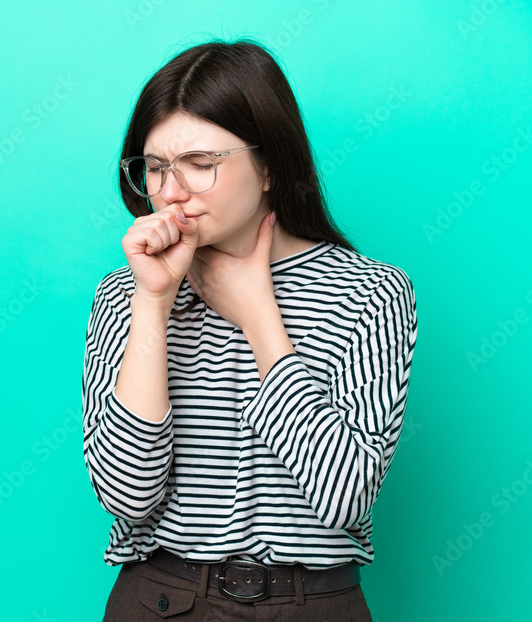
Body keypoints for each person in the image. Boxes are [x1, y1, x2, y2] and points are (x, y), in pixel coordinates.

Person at [82, 37, 418, 621]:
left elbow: (343, 498)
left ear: (269, 166)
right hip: (160, 598)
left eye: (201, 164)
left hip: (310, 604)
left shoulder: (370, 293)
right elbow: (127, 497)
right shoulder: (126, 294)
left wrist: (260, 318)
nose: (171, 191)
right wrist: (154, 303)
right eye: (156, 167)